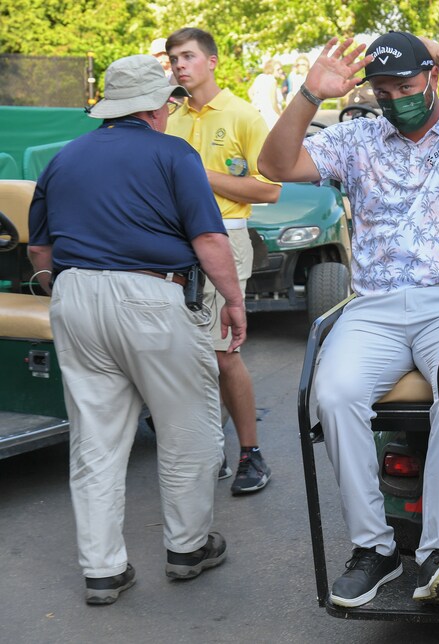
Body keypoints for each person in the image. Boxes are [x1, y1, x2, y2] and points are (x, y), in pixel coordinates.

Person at [258, 32, 439, 607]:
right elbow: (273, 164)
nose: (396, 98)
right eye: (384, 89)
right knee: (334, 391)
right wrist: (308, 95)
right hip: (374, 308)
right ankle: (373, 549)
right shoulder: (357, 138)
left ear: (432, 80)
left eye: (406, 85)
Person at [26, 55, 242, 605]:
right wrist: (235, 303)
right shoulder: (172, 152)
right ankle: (188, 549)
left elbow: (39, 248)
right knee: (188, 430)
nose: (171, 109)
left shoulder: (63, 157)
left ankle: (102, 570)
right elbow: (211, 241)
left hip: (73, 293)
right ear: (153, 106)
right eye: (168, 102)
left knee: (95, 440)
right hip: (152, 294)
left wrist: (73, 292)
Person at [166, 28, 280, 495]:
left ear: (212, 61)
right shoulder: (167, 117)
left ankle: (250, 453)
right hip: (174, 243)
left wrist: (201, 175)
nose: (179, 65)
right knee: (184, 353)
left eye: (188, 56)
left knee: (221, 350)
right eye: (173, 58)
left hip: (226, 239)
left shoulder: (243, 115)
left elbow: (270, 189)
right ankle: (208, 447)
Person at [248, 58, 284, 129]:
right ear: (271, 69)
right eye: (278, 69)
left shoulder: (260, 77)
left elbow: (250, 92)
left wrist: (257, 102)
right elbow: (273, 102)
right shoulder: (272, 81)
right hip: (271, 117)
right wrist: (280, 115)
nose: (281, 71)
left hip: (258, 114)